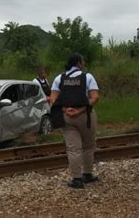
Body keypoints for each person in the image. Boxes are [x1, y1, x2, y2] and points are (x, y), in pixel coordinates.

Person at [50, 52, 99, 189]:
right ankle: (87, 174)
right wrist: (81, 109)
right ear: (78, 63)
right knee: (88, 146)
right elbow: (95, 97)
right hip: (86, 116)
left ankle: (76, 179)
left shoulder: (59, 78)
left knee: (73, 149)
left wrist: (65, 109)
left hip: (66, 117)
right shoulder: (88, 77)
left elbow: (53, 98)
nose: (83, 64)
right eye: (82, 62)